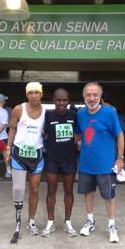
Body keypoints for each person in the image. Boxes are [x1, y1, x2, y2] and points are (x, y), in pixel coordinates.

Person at [75, 82, 124, 243]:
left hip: (106, 165)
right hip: (86, 164)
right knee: (88, 193)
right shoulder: (81, 114)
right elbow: (78, 136)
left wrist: (120, 158)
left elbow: (120, 135)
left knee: (109, 196)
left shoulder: (109, 112)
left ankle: (111, 225)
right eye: (88, 95)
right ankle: (90, 221)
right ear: (84, 97)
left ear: (100, 96)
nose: (92, 98)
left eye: (95, 94)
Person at [6, 82, 45, 243]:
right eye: (31, 93)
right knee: (19, 188)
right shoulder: (18, 109)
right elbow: (12, 128)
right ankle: (17, 222)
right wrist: (8, 147)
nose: (34, 96)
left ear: (41, 94)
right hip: (19, 154)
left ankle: (31, 221)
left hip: (36, 155)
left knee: (34, 189)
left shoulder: (45, 112)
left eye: (36, 92)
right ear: (27, 94)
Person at [41, 88, 78, 237]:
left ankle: (68, 222)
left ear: (68, 101)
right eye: (58, 100)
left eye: (64, 100)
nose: (62, 103)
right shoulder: (48, 115)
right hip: (52, 160)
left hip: (69, 160)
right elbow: (44, 133)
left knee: (69, 191)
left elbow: (80, 133)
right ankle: (50, 222)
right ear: (53, 100)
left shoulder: (74, 115)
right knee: (51, 191)